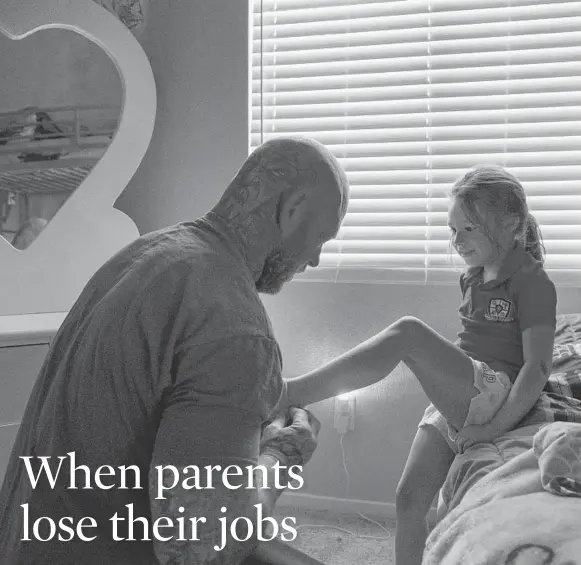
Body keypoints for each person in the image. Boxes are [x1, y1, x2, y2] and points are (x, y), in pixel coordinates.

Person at [0, 136, 349, 565]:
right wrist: (280, 456)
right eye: (320, 238)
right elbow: (203, 548)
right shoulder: (236, 325)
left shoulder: (143, 256)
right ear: (293, 208)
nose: (314, 258)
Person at [280, 165, 557, 565]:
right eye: (454, 229)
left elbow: (537, 367)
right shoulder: (476, 276)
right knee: (409, 499)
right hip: (470, 390)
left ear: (512, 225)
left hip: (496, 392)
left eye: (470, 229)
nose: (458, 241)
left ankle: (292, 392)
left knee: (408, 333)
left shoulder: (532, 282)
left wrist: (491, 430)